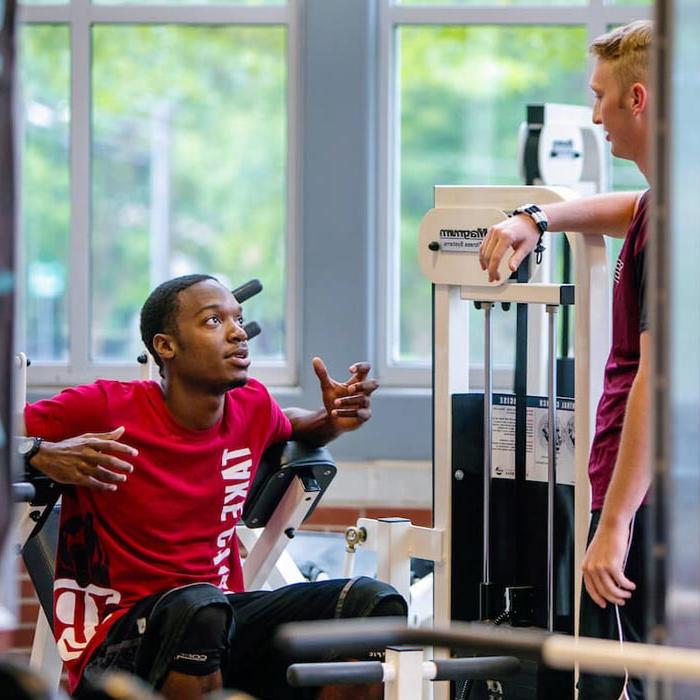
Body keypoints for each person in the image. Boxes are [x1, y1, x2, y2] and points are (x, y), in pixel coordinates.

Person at [20, 273, 406, 700]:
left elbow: (293, 423)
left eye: (238, 320)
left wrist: (331, 420)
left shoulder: (251, 406)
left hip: (218, 625)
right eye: (213, 321)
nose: (238, 333)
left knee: (372, 605)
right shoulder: (105, 407)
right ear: (165, 346)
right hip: (120, 639)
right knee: (200, 607)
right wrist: (36, 452)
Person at [479, 20, 652, 699]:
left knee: (629, 683)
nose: (594, 114)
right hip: (656, 495)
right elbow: (629, 209)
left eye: (601, 96)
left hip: (642, 498)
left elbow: (654, 381)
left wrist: (614, 524)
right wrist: (540, 218)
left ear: (637, 99)